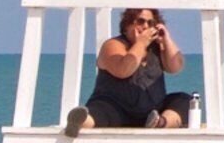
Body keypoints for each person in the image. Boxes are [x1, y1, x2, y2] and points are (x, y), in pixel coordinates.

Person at [64, 8, 196, 132]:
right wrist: (141, 43)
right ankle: (80, 122)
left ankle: (160, 123)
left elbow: (176, 67)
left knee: (184, 100)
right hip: (115, 109)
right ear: (127, 25)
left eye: (150, 23)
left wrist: (166, 40)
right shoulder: (114, 45)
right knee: (99, 112)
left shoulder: (156, 48)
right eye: (140, 21)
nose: (145, 26)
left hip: (151, 112)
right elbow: (123, 70)